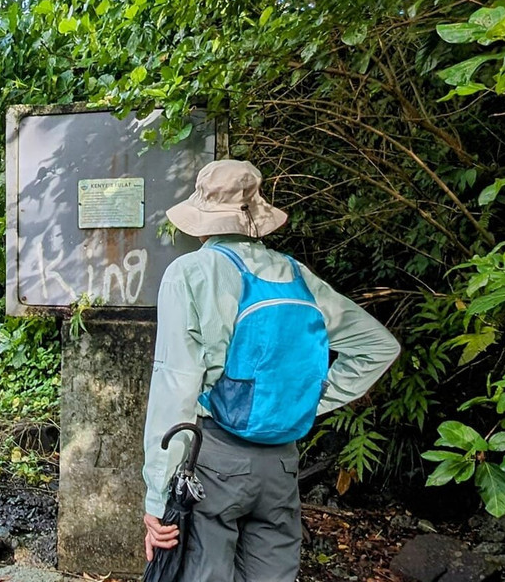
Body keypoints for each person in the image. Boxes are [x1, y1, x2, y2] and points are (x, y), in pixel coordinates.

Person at [142, 159, 401, 581]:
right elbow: (377, 346)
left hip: (216, 461)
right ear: (254, 216)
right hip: (281, 465)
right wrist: (304, 401)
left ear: (202, 219)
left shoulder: (191, 273)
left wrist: (157, 500)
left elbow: (176, 385)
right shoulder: (295, 273)